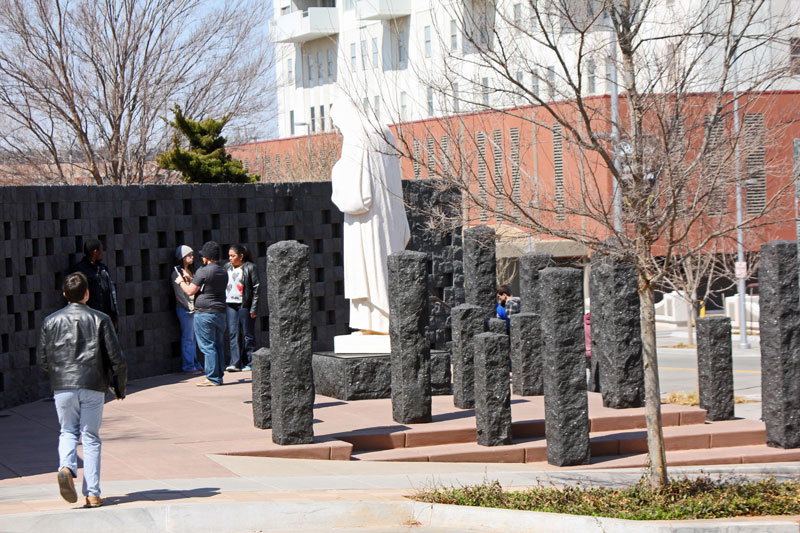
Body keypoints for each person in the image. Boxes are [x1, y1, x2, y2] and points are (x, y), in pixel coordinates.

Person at [37, 272, 127, 509]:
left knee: (67, 431)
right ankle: (93, 493)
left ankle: (66, 467)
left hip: (63, 385)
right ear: (87, 293)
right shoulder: (101, 319)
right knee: (90, 438)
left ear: (64, 294)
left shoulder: (50, 321)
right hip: (93, 384)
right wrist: (119, 387)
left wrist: (59, 373)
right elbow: (117, 359)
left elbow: (43, 359)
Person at [329, 92, 410, 335]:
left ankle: (373, 323)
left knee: (368, 266)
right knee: (383, 266)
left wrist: (336, 171)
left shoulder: (357, 135)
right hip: (390, 216)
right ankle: (378, 323)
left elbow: (356, 195)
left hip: (365, 221)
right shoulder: (384, 131)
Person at [175, 241, 228, 386]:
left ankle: (212, 378)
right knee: (218, 344)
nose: (201, 258)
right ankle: (218, 375)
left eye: (203, 256)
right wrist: (191, 280)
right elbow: (206, 285)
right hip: (220, 312)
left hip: (204, 313)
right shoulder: (223, 270)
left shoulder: (203, 270)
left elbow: (190, 291)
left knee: (207, 346)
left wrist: (181, 281)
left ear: (208, 257)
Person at [224, 244, 260, 373]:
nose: (230, 258)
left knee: (247, 334)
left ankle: (249, 362)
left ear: (241, 256)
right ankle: (235, 363)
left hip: (245, 304)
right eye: (229, 256)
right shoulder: (227, 267)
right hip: (230, 304)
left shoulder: (250, 267)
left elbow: (256, 288)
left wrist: (254, 308)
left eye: (233, 256)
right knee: (233, 333)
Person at [69, 238, 118, 330]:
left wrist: (114, 316)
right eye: (101, 250)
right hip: (88, 320)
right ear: (95, 252)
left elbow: (111, 294)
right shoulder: (80, 270)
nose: (102, 253)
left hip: (104, 318)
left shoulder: (103, 270)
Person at [171, 245, 202, 373]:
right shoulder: (176, 273)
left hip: (193, 308)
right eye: (189, 255)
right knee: (188, 337)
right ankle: (188, 365)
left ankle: (194, 362)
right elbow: (179, 294)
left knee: (193, 338)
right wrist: (190, 307)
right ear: (182, 257)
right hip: (185, 309)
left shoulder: (190, 271)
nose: (192, 257)